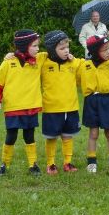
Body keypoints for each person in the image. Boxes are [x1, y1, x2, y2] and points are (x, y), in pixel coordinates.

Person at [0, 29, 43, 175]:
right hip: (13, 108)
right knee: (11, 136)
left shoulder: (40, 59)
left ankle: (33, 165)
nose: (38, 49)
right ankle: (4, 165)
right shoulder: (8, 63)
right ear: (24, 46)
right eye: (34, 46)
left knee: (29, 136)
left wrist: (67, 55)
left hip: (31, 107)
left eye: (38, 46)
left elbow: (55, 52)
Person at [40, 30, 82, 174]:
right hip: (51, 109)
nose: (66, 51)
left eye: (67, 47)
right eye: (62, 48)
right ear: (52, 49)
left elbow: (89, 65)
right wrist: (11, 56)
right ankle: (50, 164)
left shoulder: (73, 63)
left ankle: (67, 163)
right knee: (51, 137)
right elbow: (28, 57)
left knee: (67, 135)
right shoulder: (43, 61)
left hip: (70, 108)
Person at [79, 35, 109, 173]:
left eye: (108, 49)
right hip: (91, 101)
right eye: (104, 50)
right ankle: (91, 161)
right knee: (93, 133)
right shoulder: (84, 65)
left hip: (107, 100)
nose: (108, 52)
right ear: (94, 52)